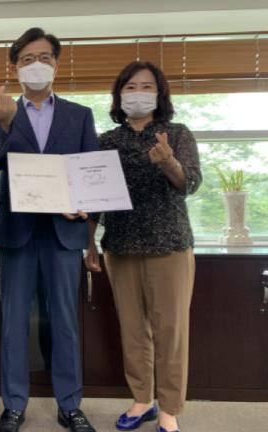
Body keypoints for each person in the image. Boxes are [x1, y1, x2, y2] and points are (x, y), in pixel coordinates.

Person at [0, 27, 98, 432]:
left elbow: (90, 171)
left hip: (64, 231)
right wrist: (4, 124)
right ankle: (14, 405)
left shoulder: (80, 115)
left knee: (65, 320)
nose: (36, 64)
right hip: (18, 230)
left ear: (56, 64)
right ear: (15, 68)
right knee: (13, 321)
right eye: (27, 59)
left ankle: (70, 405)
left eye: (44, 57)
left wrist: (85, 207)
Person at [85, 61, 201, 432]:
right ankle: (142, 399)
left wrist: (169, 162)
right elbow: (94, 197)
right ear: (119, 95)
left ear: (159, 93)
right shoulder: (107, 141)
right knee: (133, 330)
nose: (138, 93)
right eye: (130, 87)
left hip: (169, 244)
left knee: (170, 330)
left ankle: (170, 408)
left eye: (146, 86)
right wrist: (89, 244)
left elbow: (190, 184)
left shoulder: (177, 133)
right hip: (119, 245)